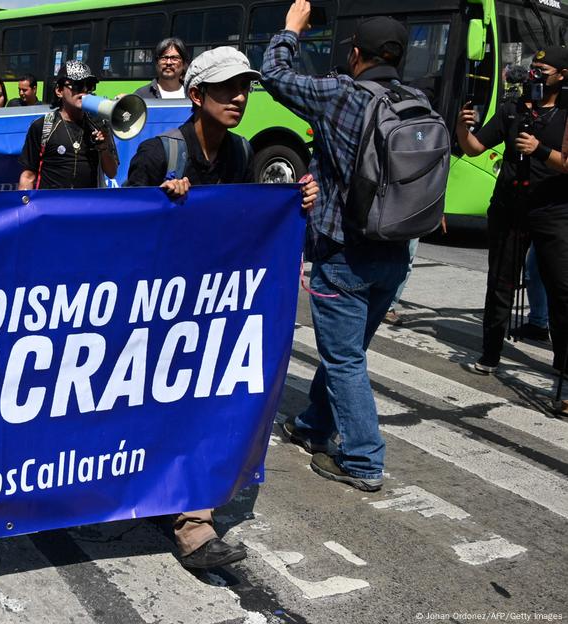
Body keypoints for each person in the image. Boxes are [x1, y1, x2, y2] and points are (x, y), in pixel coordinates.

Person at [126, 47, 318, 570]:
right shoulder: (156, 154)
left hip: (212, 313)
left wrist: (295, 203)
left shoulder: (238, 152)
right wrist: (159, 205)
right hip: (153, 312)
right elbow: (118, 234)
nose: (239, 98)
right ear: (196, 96)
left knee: (202, 405)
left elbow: (250, 223)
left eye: (245, 88)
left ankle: (194, 522)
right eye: (226, 89)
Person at [262, 2, 421, 492]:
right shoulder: (417, 100)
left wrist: (292, 29)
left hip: (344, 252)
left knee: (345, 358)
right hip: (394, 253)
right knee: (346, 351)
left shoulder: (340, 95)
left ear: (356, 54)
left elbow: (273, 73)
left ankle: (362, 459)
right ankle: (313, 425)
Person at [456, 46, 568, 412]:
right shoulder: (511, 108)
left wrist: (538, 150)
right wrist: (463, 125)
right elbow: (473, 148)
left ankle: (563, 369)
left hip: (553, 212)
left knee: (561, 290)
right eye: (533, 67)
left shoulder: (565, 114)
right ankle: (490, 353)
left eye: (544, 69)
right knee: (500, 282)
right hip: (509, 208)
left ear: (561, 76)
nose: (535, 73)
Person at [17, 60, 119, 190]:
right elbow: (28, 176)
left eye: (89, 85)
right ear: (59, 91)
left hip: (87, 207)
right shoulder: (42, 126)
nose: (84, 90)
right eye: (77, 85)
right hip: (51, 207)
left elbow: (112, 172)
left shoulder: (98, 125)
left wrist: (103, 148)